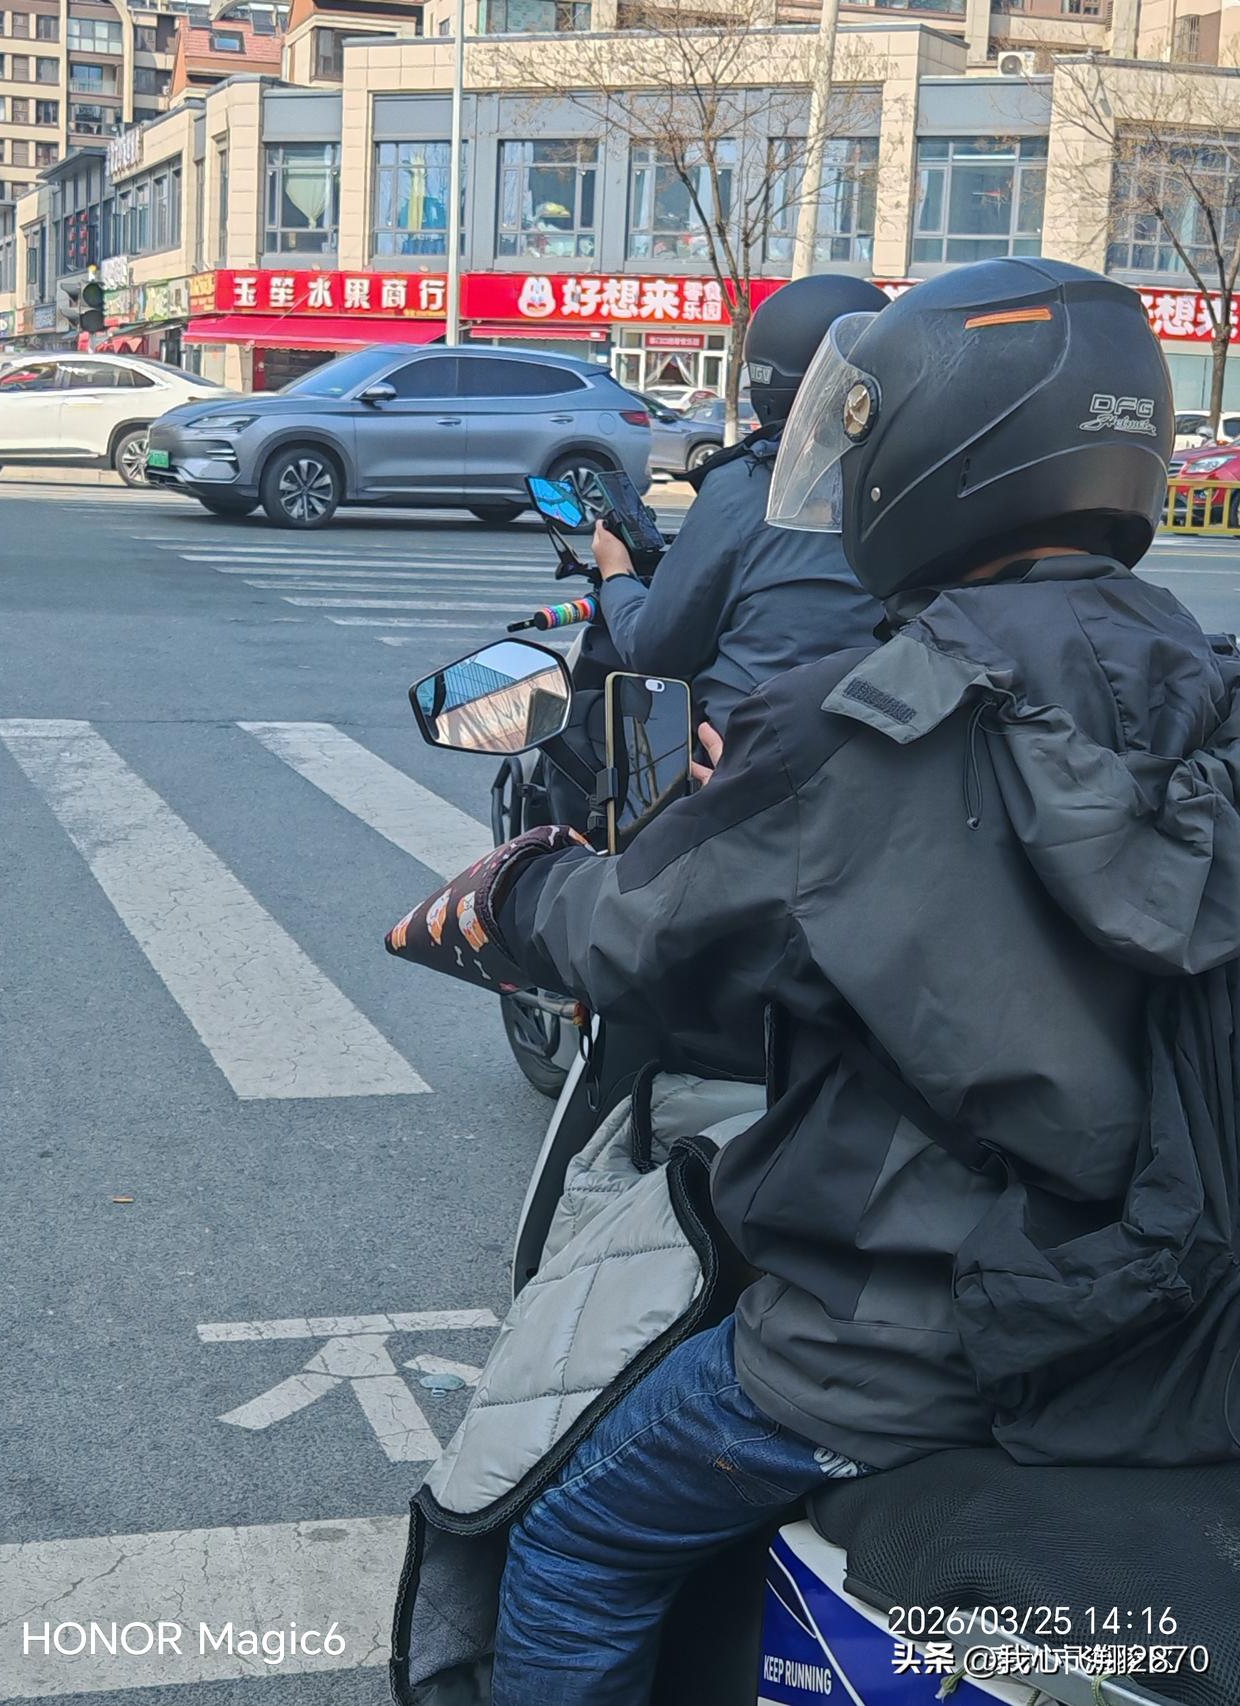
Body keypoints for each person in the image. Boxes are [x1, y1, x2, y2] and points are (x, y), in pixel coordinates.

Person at [463, 257, 1240, 1702]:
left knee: (566, 1545)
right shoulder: (1209, 683)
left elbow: (634, 934)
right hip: (1172, 1323)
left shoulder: (860, 719)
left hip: (903, 1333)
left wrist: (509, 893)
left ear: (942, 452)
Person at [595, 273, 890, 739]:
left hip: (753, 769)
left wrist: (615, 575)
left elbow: (655, 650)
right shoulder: (923, 485)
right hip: (893, 757)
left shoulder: (747, 488)